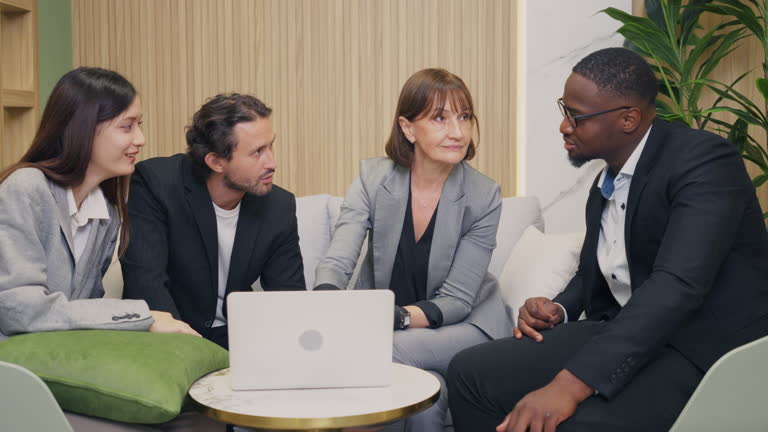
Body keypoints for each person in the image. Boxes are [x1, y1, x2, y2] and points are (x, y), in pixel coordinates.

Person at [447, 47, 768, 432]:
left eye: (576, 116)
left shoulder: (704, 162)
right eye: (563, 110)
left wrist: (567, 386)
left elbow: (677, 284)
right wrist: (559, 309)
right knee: (469, 372)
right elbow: (593, 273)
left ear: (628, 118)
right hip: (625, 331)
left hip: (701, 346)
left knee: (570, 421)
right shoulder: (607, 182)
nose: (564, 126)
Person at [0, 67, 220, 431]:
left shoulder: (108, 211)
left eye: (139, 124)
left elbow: (84, 310)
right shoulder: (26, 188)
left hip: (58, 366)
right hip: (16, 377)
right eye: (127, 126)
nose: (141, 138)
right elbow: (20, 310)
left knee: (199, 420)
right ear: (84, 127)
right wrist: (143, 317)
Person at [314, 68, 512, 432]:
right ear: (407, 128)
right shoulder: (373, 179)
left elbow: (457, 300)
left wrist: (391, 319)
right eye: (440, 118)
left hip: (466, 326)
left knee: (382, 352)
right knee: (426, 397)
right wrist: (326, 301)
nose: (457, 131)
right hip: (398, 329)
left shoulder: (484, 196)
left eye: (464, 117)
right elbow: (338, 259)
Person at [121, 93, 306, 350]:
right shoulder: (158, 184)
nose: (272, 163)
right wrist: (189, 351)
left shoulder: (279, 206)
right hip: (168, 336)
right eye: (257, 152)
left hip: (238, 340)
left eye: (270, 146)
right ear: (216, 161)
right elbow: (146, 283)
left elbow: (289, 301)